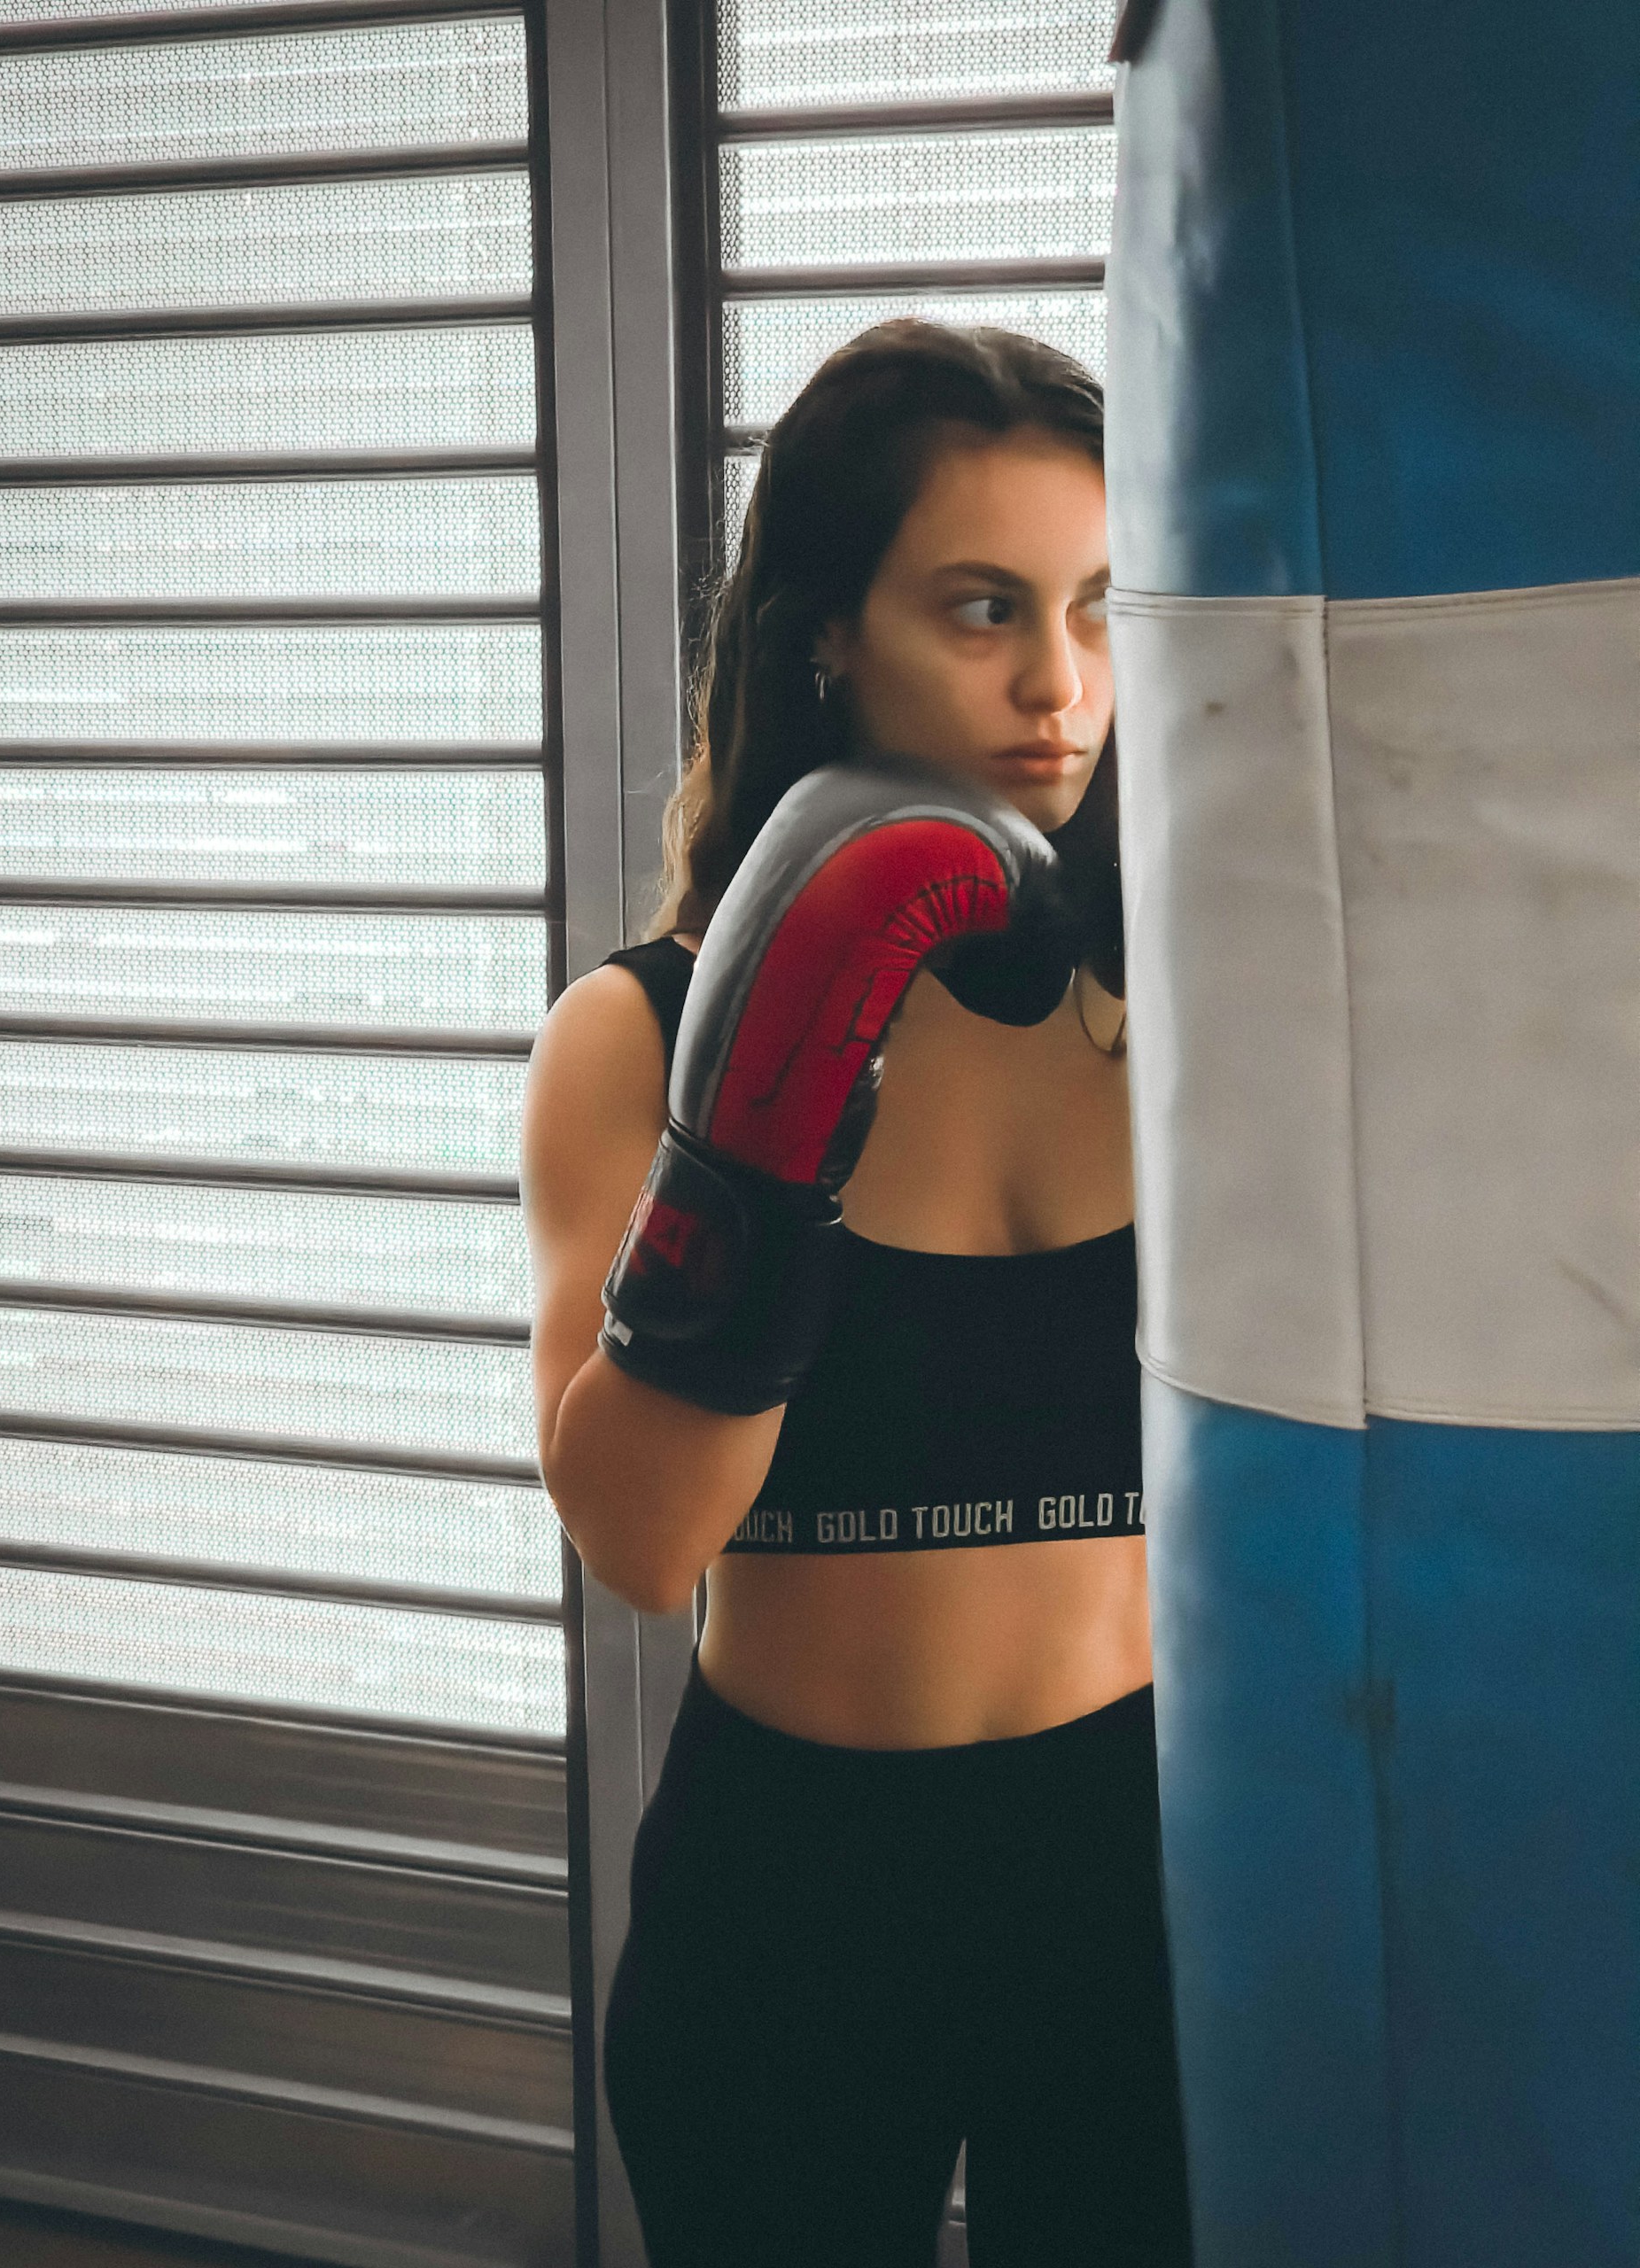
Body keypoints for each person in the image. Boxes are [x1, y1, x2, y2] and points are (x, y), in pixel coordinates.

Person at [523, 322, 1191, 2268]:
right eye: (981, 609)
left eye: (1097, 607)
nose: (1058, 687)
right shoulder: (632, 1036)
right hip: (799, 1874)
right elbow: (646, 1543)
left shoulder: (1198, 1008)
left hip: (1138, 1866)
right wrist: (769, 1095)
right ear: (830, 631)